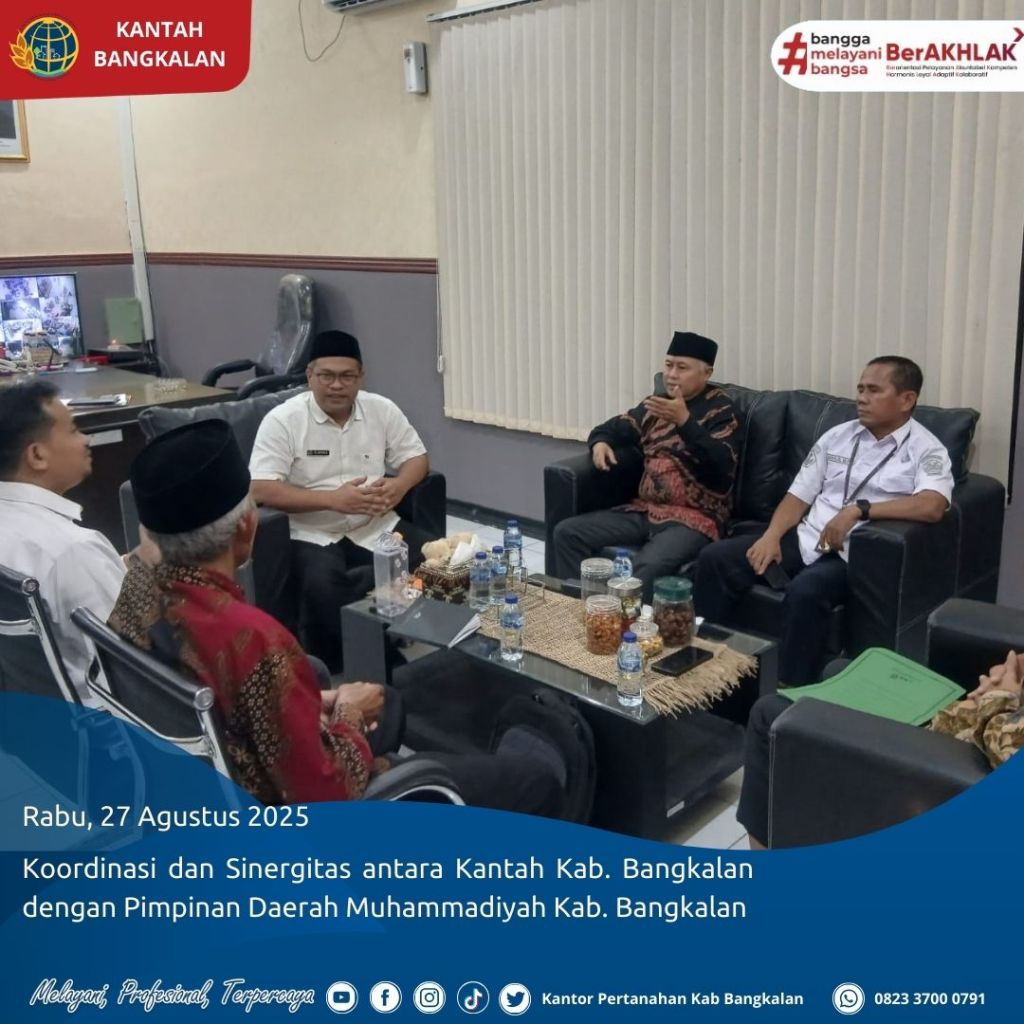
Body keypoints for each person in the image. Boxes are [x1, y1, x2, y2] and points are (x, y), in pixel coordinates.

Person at [111, 420, 565, 815]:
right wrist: (348, 711)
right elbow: (326, 793)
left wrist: (309, 702)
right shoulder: (255, 639)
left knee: (389, 700)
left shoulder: (136, 588)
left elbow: (223, 690)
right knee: (536, 778)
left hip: (204, 786)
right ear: (246, 527)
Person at [694, 356, 954, 687]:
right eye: (860, 389)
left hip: (854, 556)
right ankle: (705, 661)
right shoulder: (838, 436)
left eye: (874, 390)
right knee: (716, 558)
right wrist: (771, 536)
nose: (861, 398)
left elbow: (932, 505)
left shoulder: (926, 449)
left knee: (806, 591)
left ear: (907, 399)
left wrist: (859, 510)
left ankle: (788, 689)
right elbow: (798, 496)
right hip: (807, 538)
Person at [249, 330, 432, 671]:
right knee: (324, 586)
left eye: (347, 376)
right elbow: (261, 488)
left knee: (440, 563)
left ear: (361, 377)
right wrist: (332, 500)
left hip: (374, 524)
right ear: (309, 376)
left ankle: (433, 639)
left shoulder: (381, 409)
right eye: (326, 376)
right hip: (312, 532)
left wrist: (400, 485)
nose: (336, 385)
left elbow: (417, 458)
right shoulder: (283, 421)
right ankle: (390, 668)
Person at [738, 650, 1024, 849]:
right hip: (974, 722)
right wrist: (1012, 676)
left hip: (948, 761)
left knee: (768, 715)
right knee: (838, 669)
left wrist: (1001, 697)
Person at [551, 331, 741, 601]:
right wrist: (600, 442)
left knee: (645, 569)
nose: (671, 375)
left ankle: (619, 622)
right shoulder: (656, 405)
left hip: (694, 519)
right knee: (567, 533)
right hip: (646, 510)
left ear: (706, 373)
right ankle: (580, 610)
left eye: (682, 368)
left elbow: (721, 465)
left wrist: (685, 422)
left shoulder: (722, 411)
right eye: (668, 365)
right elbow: (613, 427)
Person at [0, 379, 126, 702]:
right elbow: (135, 669)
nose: (86, 439)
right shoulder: (72, 550)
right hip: (106, 723)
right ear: (37, 455)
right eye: (73, 430)